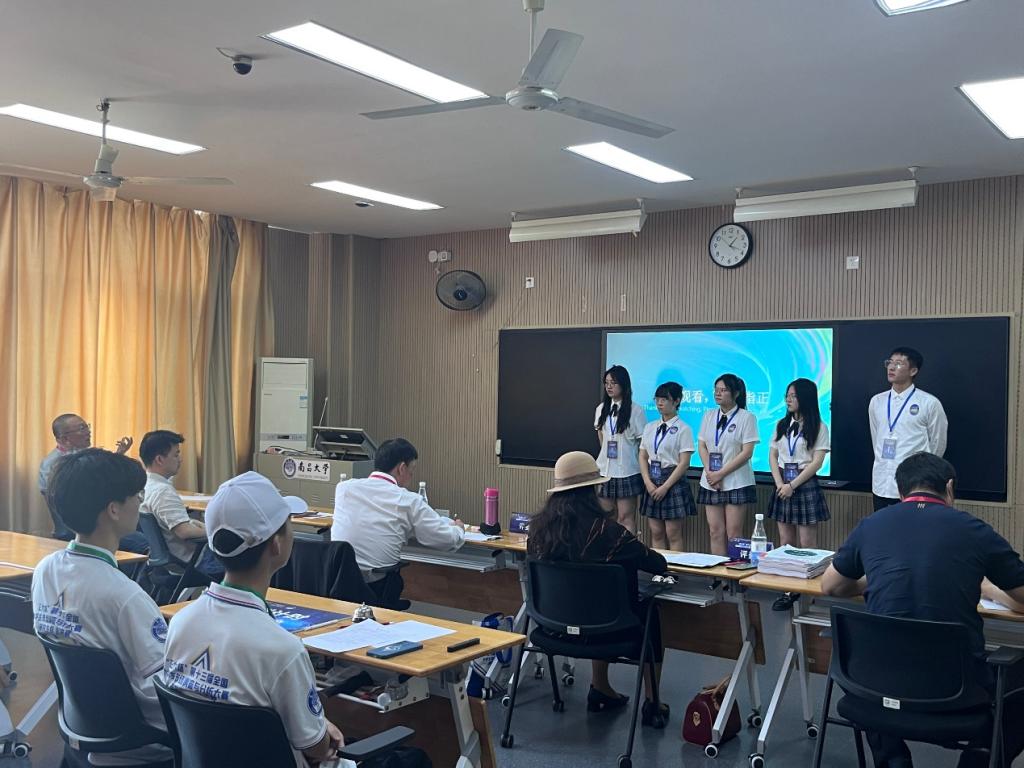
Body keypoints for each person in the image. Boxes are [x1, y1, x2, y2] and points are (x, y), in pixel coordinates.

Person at [821, 452, 1024, 768]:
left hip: (873, 689)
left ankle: (892, 760)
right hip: (957, 693)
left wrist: (876, 578)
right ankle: (976, 762)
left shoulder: (872, 525)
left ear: (899, 490)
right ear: (950, 487)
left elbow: (830, 586)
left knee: (878, 656)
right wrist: (987, 588)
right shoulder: (975, 530)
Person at [162, 472, 346, 767]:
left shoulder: (181, 622)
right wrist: (321, 732)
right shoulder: (283, 650)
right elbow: (315, 748)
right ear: (276, 545)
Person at [32, 448, 172, 766]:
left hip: (83, 729)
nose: (140, 503)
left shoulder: (46, 570)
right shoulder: (125, 596)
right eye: (136, 496)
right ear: (113, 509)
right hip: (140, 746)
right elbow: (161, 694)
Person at [529, 451, 670, 727]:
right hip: (609, 631)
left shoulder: (538, 531)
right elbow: (657, 564)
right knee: (649, 613)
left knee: (592, 605)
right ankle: (652, 703)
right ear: (592, 491)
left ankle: (601, 688)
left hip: (552, 628)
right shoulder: (611, 534)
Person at [331, 438, 464, 602]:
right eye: (412, 470)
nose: (411, 476)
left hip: (338, 583)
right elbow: (445, 539)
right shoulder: (408, 500)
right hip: (377, 584)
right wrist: (459, 529)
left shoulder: (343, 488)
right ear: (402, 468)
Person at [868, 347, 947, 511]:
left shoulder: (929, 403)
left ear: (913, 371)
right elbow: (876, 437)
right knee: (882, 524)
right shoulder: (877, 401)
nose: (891, 367)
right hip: (881, 481)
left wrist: (925, 472)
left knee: (911, 526)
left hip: (914, 484)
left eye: (898, 363)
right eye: (889, 362)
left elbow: (938, 443)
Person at [38, 413, 135, 543]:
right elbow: (67, 499)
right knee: (141, 542)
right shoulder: (53, 464)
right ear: (64, 439)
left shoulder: (84, 456)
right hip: (83, 529)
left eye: (86, 426)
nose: (88, 432)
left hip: (100, 519)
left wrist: (118, 455)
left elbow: (103, 477)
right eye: (81, 428)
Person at [139, 430, 223, 580]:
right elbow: (185, 532)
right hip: (196, 560)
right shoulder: (163, 491)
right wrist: (217, 530)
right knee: (254, 554)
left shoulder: (146, 485)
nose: (180, 459)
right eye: (176, 455)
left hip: (173, 560)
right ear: (159, 459)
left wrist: (199, 525)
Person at [696, 374, 759, 556]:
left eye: (723, 390)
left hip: (736, 481)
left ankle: (734, 573)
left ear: (736, 393)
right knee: (715, 531)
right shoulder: (708, 415)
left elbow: (747, 452)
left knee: (734, 534)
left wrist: (720, 474)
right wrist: (711, 473)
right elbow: (702, 445)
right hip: (710, 481)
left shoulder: (747, 417)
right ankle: (719, 571)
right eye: (716, 390)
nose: (718, 393)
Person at [638, 381, 696, 551]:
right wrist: (648, 482)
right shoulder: (650, 427)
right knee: (656, 532)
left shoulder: (684, 429)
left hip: (672, 481)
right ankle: (660, 566)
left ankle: (674, 568)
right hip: (652, 480)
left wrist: (665, 487)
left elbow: (684, 462)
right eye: (657, 399)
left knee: (673, 533)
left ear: (677, 401)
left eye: (664, 399)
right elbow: (642, 456)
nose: (659, 403)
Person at [594, 365, 647, 534]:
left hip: (627, 470)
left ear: (624, 384)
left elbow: (642, 442)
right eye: (606, 383)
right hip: (605, 470)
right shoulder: (601, 409)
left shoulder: (636, 410)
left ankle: (627, 548)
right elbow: (601, 435)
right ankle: (608, 548)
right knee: (607, 516)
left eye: (613, 383)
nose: (609, 386)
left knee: (625, 517)